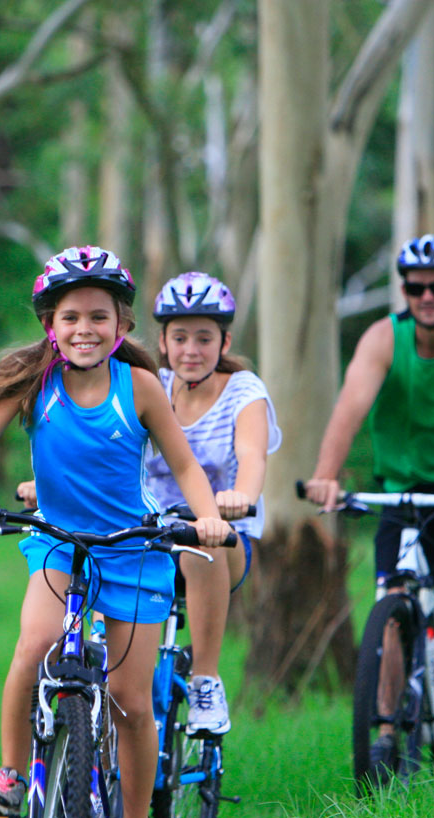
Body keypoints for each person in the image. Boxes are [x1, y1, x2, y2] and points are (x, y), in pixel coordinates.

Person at [0, 246, 232, 818]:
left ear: (121, 326)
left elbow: (184, 467)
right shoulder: (34, 385)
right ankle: (13, 776)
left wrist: (206, 518)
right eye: (71, 317)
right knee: (35, 646)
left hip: (132, 550)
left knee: (130, 702)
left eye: (99, 316)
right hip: (59, 546)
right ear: (51, 323)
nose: (84, 329)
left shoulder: (141, 388)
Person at [304, 233, 434, 777]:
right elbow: (351, 405)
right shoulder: (383, 338)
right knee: (392, 602)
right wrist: (326, 477)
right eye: (415, 287)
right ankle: (388, 730)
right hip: (403, 487)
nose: (427, 296)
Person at [143, 272, 282, 735]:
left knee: (201, 545)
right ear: (162, 341)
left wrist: (241, 495)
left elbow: (251, 454)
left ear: (224, 342)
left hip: (221, 540)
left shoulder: (244, 391)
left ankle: (205, 680)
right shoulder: (151, 387)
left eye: (204, 338)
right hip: (146, 539)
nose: (190, 350)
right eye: (179, 337)